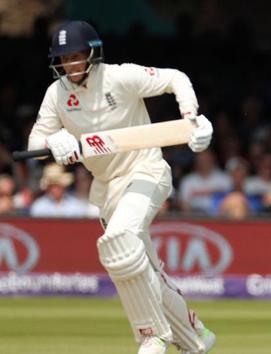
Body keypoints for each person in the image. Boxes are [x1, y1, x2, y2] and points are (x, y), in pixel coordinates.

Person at [26, 21, 215, 354]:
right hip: (107, 188)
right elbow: (36, 140)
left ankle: (151, 335)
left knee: (118, 241)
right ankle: (195, 339)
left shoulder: (119, 77)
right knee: (143, 269)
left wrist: (192, 118)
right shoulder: (57, 94)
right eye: (64, 58)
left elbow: (176, 79)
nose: (71, 64)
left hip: (145, 170)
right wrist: (55, 142)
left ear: (92, 54)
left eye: (76, 56)